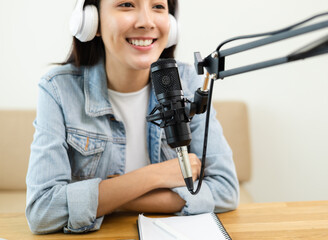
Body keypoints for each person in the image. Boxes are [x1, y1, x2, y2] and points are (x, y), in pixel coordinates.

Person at [26, 0, 240, 234]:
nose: (146, 22)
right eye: (127, 4)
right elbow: (42, 211)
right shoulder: (58, 89)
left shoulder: (188, 81)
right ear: (91, 21)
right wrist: (155, 176)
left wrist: (115, 197)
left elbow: (225, 190)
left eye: (158, 6)